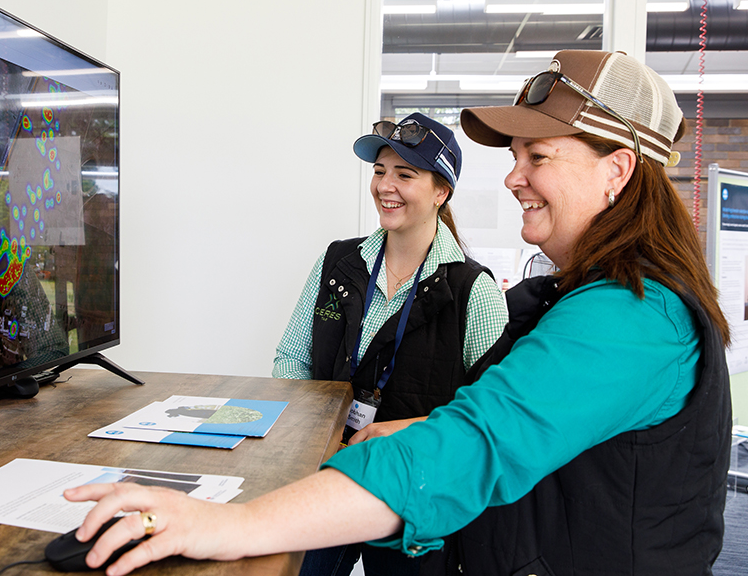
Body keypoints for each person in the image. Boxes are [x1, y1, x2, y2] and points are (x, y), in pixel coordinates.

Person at [62, 50, 732, 576]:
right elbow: (511, 419)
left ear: (616, 172)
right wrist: (413, 427)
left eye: (538, 156)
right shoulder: (578, 297)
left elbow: (477, 444)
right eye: (514, 156)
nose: (513, 176)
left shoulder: (633, 316)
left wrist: (228, 525)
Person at [272, 112, 507, 576]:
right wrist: (311, 444)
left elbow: (491, 415)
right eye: (380, 171)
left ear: (442, 191)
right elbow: (292, 359)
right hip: (329, 473)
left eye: (405, 173)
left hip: (411, 490)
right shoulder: (337, 263)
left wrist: (393, 435)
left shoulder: (472, 291)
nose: (385, 185)